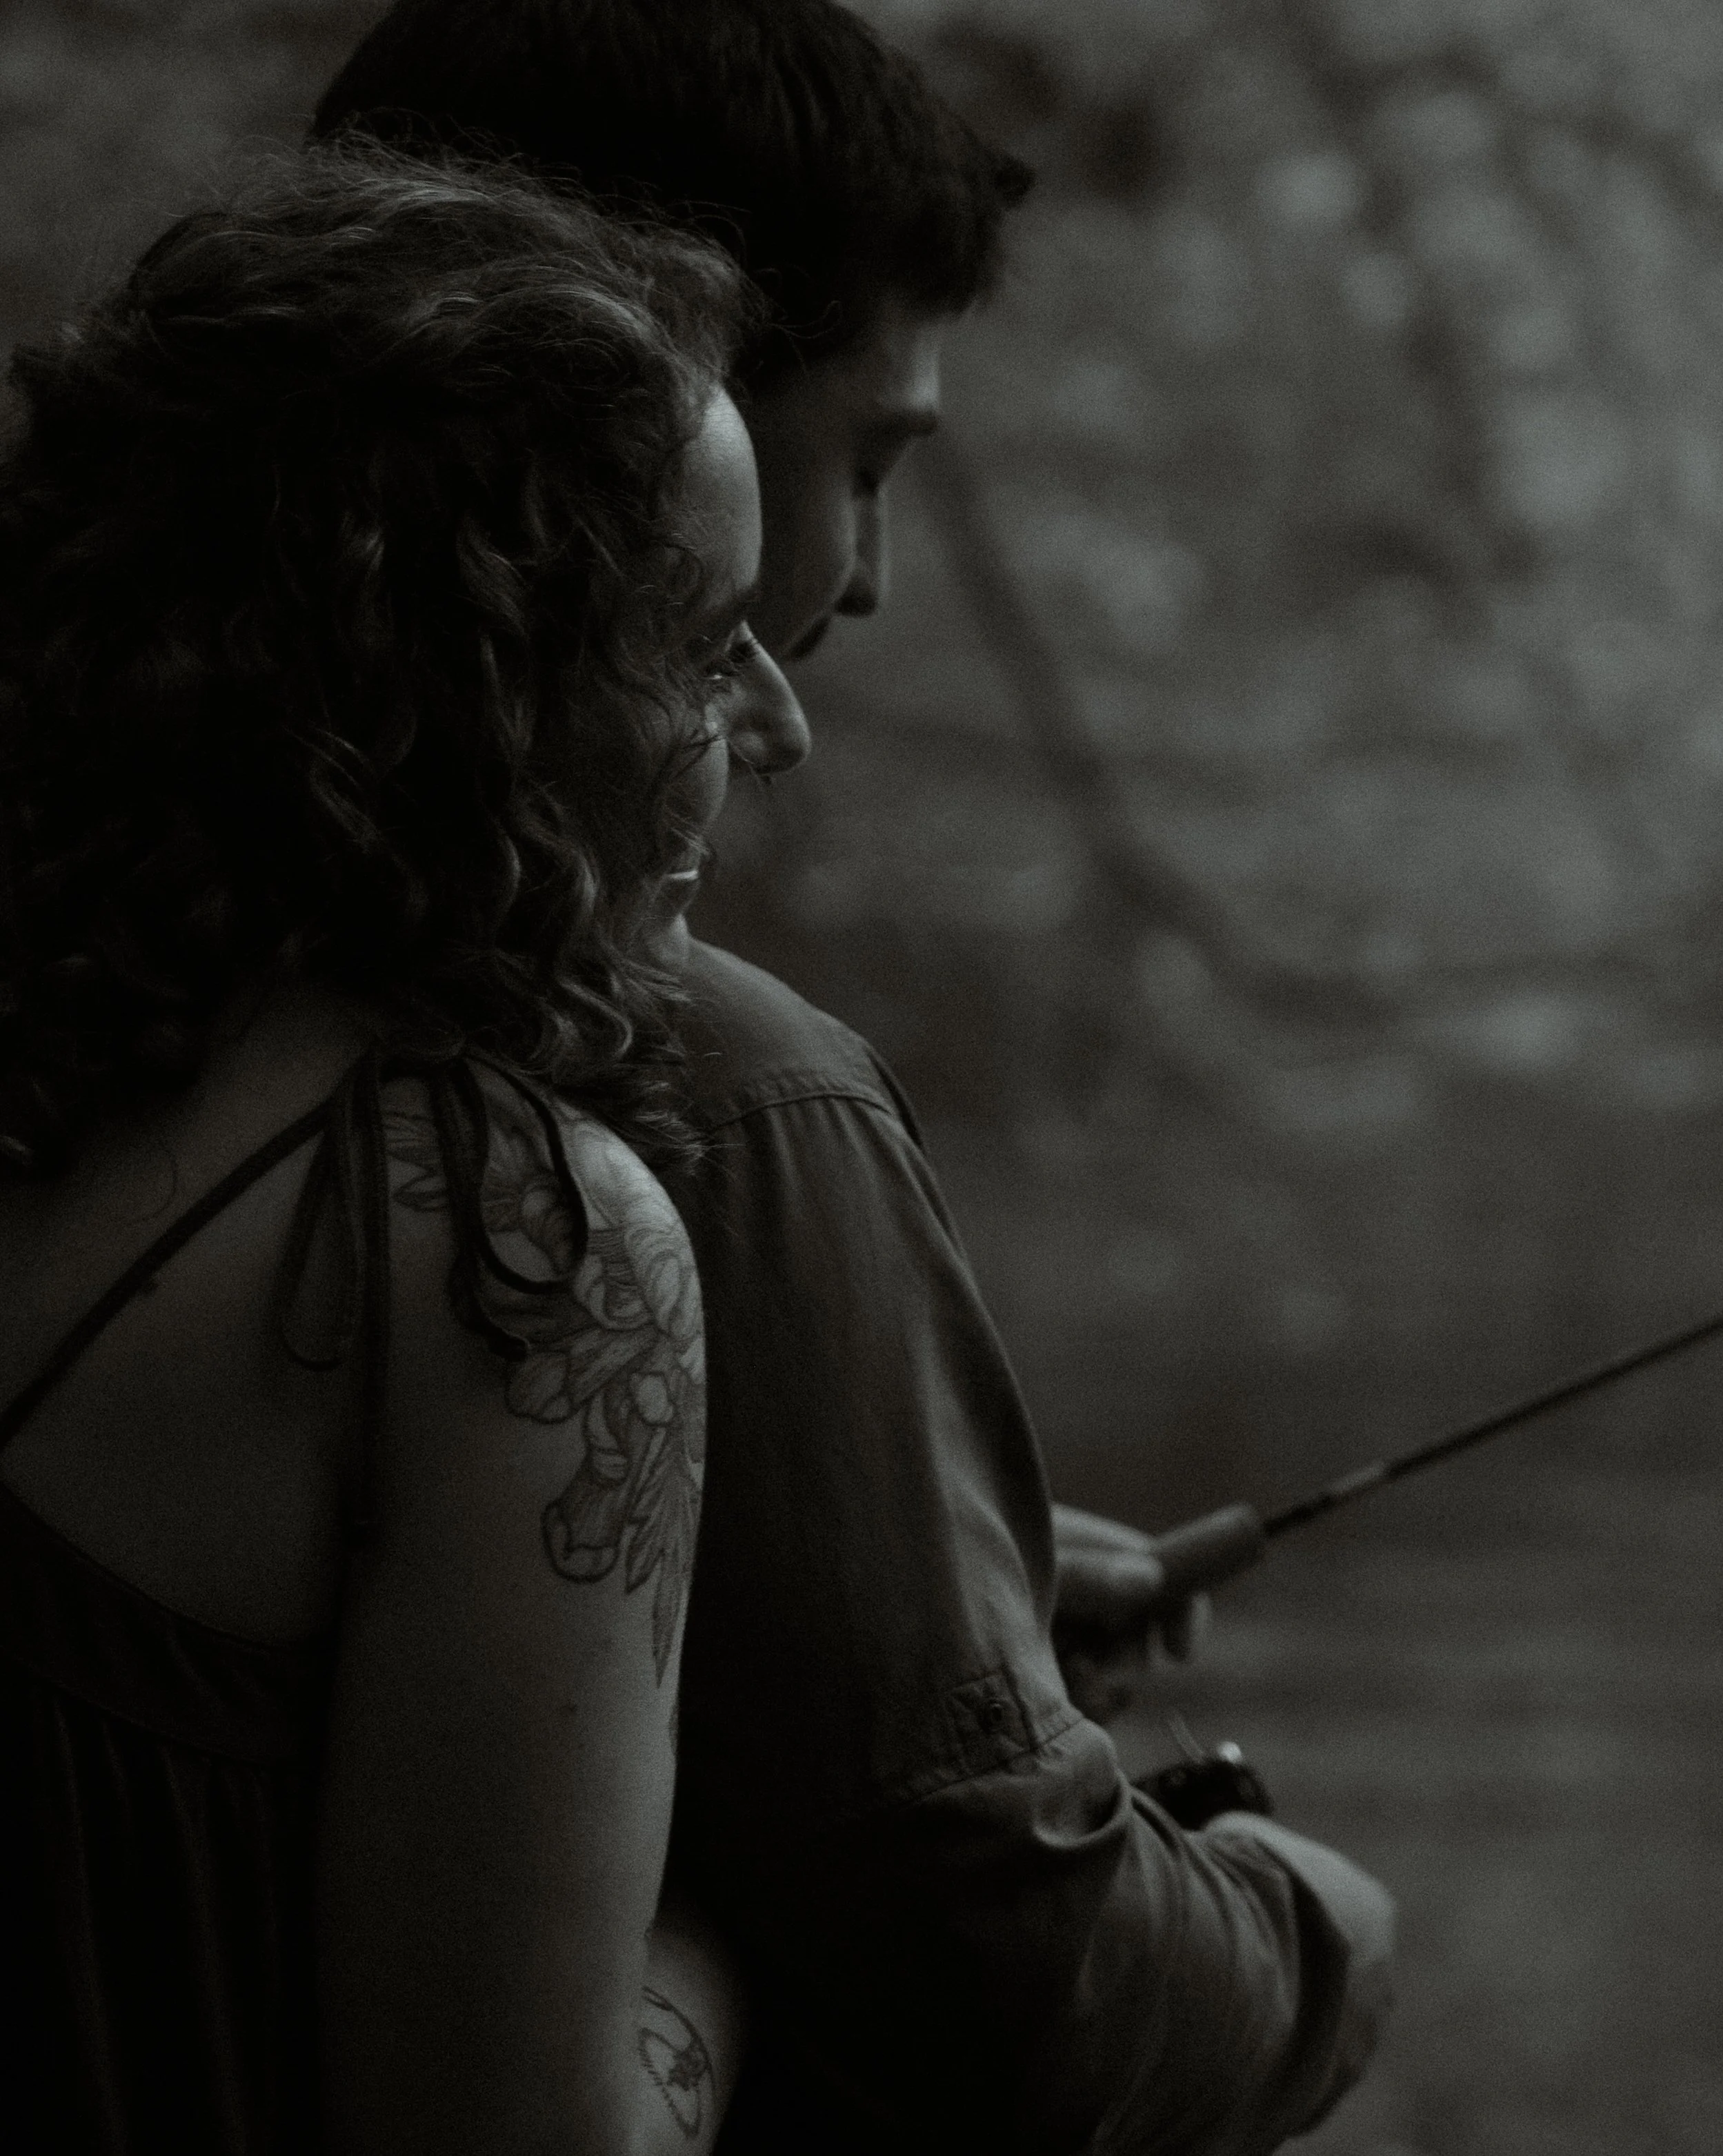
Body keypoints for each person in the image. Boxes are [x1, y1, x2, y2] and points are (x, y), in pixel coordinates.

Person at [313, 4, 1398, 2151]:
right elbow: (1008, 1979)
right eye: (869, 459)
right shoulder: (716, 1094)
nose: (866, 591)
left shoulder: (124, 972)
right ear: (649, 401)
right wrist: (1323, 1925)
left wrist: (911, 1589)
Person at [0, 141, 802, 2153]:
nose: (773, 726)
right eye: (698, 642)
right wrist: (732, 1940)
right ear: (466, 675)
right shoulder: (499, 1249)